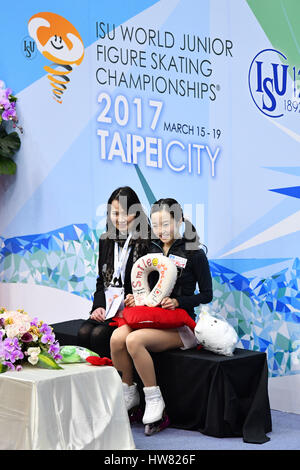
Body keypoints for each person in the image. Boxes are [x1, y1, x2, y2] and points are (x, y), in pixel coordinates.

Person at [110, 198, 213, 435]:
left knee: (134, 340)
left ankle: (155, 400)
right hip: (152, 317)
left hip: (180, 325)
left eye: (166, 224)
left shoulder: (194, 252)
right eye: (156, 226)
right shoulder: (150, 248)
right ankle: (129, 391)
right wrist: (134, 298)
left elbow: (207, 295)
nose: (161, 230)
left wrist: (179, 301)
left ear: (179, 221)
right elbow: (142, 285)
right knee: (117, 338)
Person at [77, 186, 151, 357]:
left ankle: (111, 379)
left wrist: (137, 301)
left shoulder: (147, 241)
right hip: (109, 307)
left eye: (126, 213)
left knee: (98, 335)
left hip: (133, 309)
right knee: (83, 332)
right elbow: (101, 280)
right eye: (115, 213)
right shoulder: (106, 240)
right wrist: (99, 306)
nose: (121, 219)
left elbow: (152, 284)